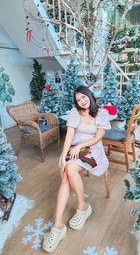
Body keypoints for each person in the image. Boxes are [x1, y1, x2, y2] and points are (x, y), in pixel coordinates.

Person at [42, 86, 111, 253]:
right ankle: (58, 225)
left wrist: (80, 146)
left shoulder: (101, 113)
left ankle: (82, 207)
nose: (82, 101)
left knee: (70, 169)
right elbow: (70, 137)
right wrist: (63, 157)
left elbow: (98, 137)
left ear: (90, 96)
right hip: (73, 149)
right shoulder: (75, 112)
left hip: (92, 151)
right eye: (78, 100)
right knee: (66, 172)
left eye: (84, 97)